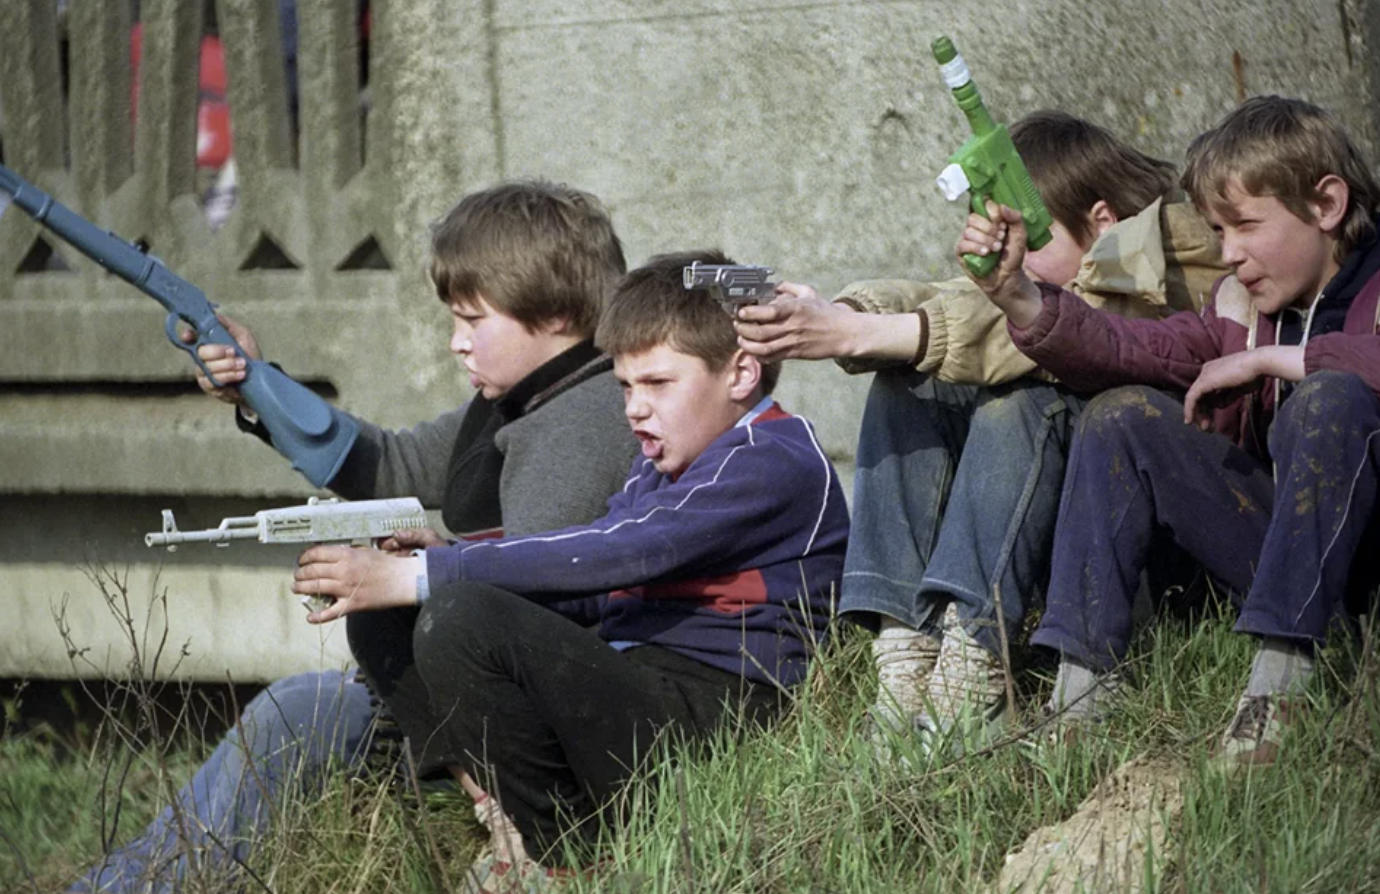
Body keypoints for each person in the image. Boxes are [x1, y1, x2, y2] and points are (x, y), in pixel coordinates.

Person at [71, 180, 640, 893]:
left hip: (552, 735)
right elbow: (386, 463)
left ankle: (520, 829)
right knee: (293, 711)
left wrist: (416, 575)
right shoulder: (526, 399)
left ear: (555, 313)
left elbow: (535, 602)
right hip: (483, 700)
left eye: (472, 320)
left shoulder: (582, 421)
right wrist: (256, 384)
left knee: (299, 712)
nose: (456, 343)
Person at [291, 250, 850, 884]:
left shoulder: (772, 459)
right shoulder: (665, 462)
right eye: (624, 385)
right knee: (391, 619)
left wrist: (426, 575)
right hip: (639, 686)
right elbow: (599, 582)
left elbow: (625, 549)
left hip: (723, 715)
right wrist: (441, 562)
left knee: (457, 610)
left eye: (658, 383)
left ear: (742, 373)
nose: (635, 408)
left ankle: (570, 860)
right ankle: (503, 811)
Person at [735, 111, 1223, 749]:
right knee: (907, 379)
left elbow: (1041, 331)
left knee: (1020, 399)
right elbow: (948, 298)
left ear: (1101, 221)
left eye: (1027, 237)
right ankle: (906, 663)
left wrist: (855, 332)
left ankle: (973, 677)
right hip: (1064, 549)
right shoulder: (1075, 261)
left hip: (1158, 574)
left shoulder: (1172, 259)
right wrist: (846, 312)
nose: (1006, 260)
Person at [959, 95, 1380, 766]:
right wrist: (1018, 296)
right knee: (1122, 411)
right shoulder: (1239, 305)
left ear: (1327, 205)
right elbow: (1132, 348)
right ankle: (1079, 703)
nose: (1230, 253)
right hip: (1285, 555)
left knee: (1329, 398)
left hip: (1364, 566)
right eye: (1218, 231)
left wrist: (1281, 360)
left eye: (1244, 225)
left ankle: (1281, 690)